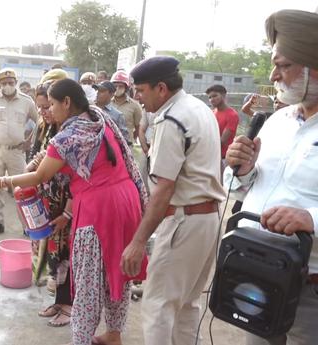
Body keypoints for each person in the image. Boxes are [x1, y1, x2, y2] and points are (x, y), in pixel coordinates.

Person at [0, 78, 148, 345]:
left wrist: (3, 181)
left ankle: (81, 340)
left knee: (87, 282)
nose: (48, 109)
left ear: (67, 102)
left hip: (98, 210)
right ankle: (114, 335)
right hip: (126, 201)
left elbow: (40, 176)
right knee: (116, 272)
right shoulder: (99, 119)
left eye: (51, 104)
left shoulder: (69, 136)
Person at [224, 9, 318, 345]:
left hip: (315, 293)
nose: (274, 75)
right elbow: (241, 188)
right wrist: (244, 170)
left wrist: (311, 218)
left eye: (283, 66)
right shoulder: (277, 121)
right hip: (257, 274)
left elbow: (310, 214)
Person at [120, 56, 226, 345]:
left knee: (158, 306)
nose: (138, 98)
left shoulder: (171, 119)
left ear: (162, 88)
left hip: (184, 219)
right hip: (206, 219)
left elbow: (164, 189)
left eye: (141, 91)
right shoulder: (198, 107)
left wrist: (139, 241)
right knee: (187, 303)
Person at [28, 80, 73, 328]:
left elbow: (77, 175)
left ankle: (68, 305)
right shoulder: (46, 128)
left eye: (48, 106)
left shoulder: (70, 131)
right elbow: (36, 160)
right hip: (48, 199)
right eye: (40, 107)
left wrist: (67, 210)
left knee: (67, 253)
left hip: (68, 203)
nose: (45, 112)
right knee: (54, 253)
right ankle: (59, 300)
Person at [0, 68, 38, 236]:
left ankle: (27, 225)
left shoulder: (26, 101)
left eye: (10, 83)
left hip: (16, 152)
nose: (7, 86)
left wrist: (30, 141)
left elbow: (39, 121)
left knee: (22, 188)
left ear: (16, 83)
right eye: (4, 83)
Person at [206, 84, 239, 171]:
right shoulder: (212, 112)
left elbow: (222, 141)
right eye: (209, 97)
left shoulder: (232, 115)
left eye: (215, 96)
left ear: (223, 95)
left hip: (224, 159)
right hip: (211, 156)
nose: (212, 99)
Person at [111, 69, 142, 146]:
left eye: (120, 86)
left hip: (126, 145)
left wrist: (132, 138)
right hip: (109, 144)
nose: (117, 88)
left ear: (126, 88)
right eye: (115, 86)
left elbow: (139, 127)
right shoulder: (107, 103)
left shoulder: (135, 106)